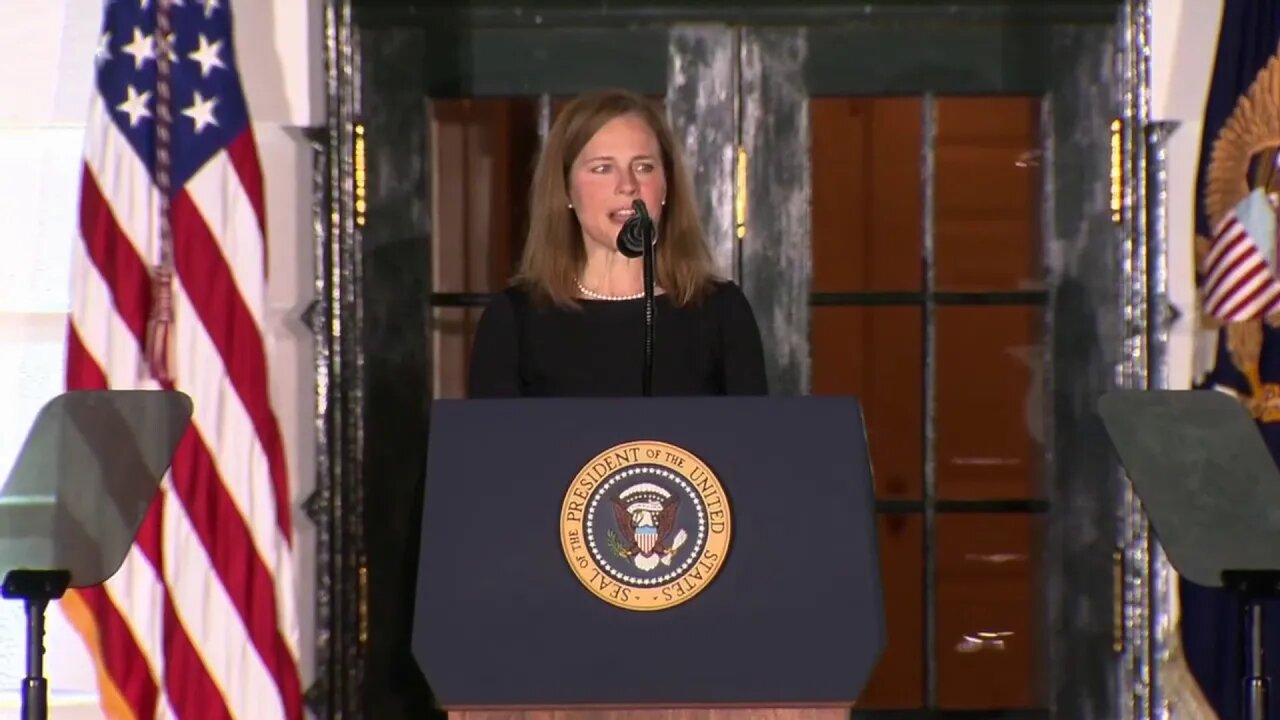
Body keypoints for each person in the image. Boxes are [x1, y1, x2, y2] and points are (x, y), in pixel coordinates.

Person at [466, 88, 769, 398]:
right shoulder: (515, 321)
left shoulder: (721, 312)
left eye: (643, 167)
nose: (628, 186)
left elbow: (753, 442)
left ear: (666, 186)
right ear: (565, 189)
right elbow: (490, 444)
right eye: (602, 168)